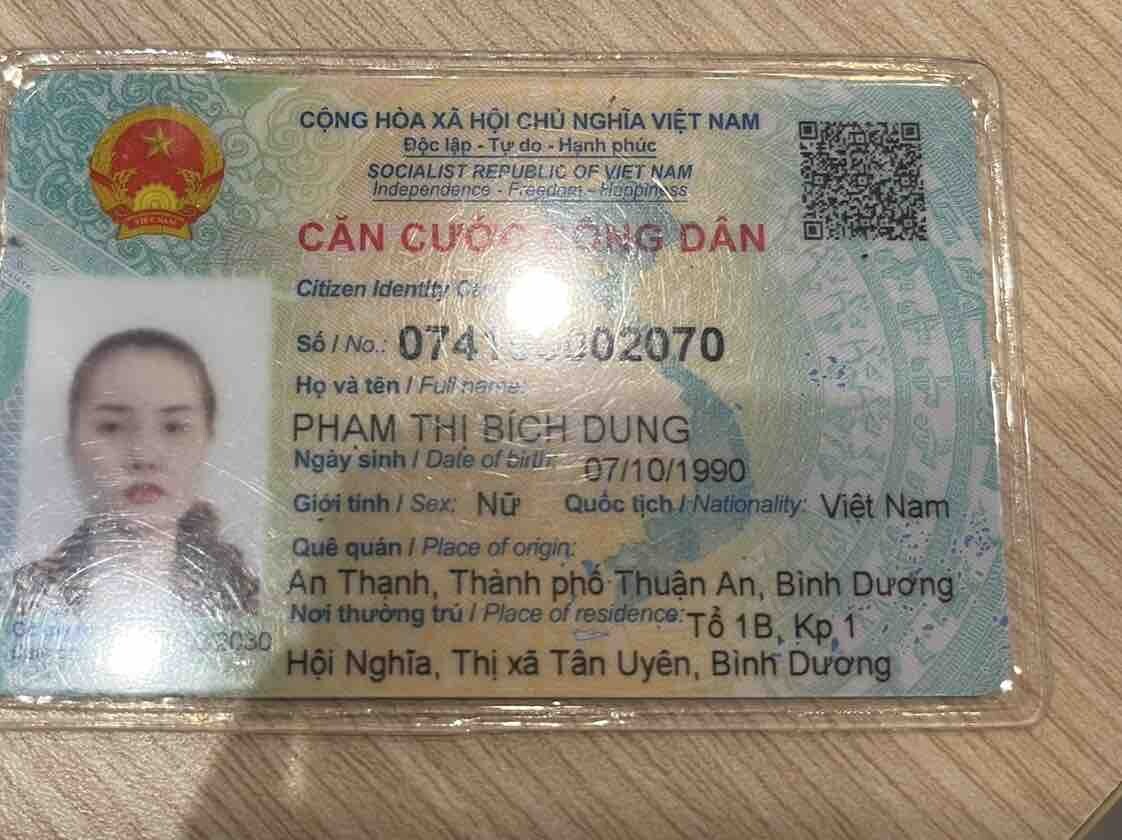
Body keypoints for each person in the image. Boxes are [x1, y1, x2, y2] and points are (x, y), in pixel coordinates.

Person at [5, 328, 259, 628]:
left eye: (174, 427)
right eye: (111, 427)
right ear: (71, 444)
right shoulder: (16, 599)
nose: (144, 456)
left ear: (208, 440)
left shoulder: (248, 601)